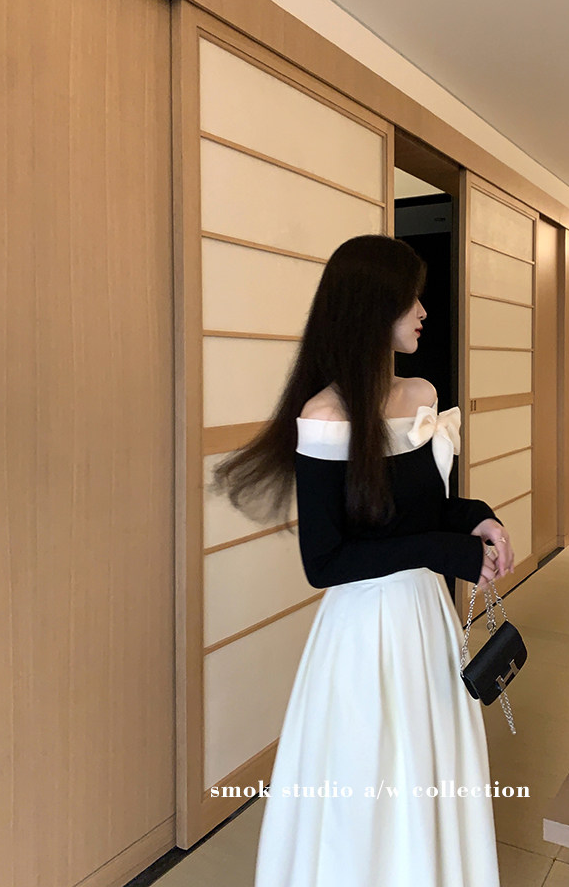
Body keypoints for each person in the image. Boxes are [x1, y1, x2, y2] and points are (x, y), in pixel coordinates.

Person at [211, 234, 515, 887]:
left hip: (425, 617)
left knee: (427, 766)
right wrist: (442, 549)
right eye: (411, 299)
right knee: (367, 780)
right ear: (373, 307)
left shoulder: (421, 393)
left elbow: (426, 510)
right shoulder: (325, 416)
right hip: (363, 630)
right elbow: (325, 562)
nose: (423, 312)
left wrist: (477, 518)